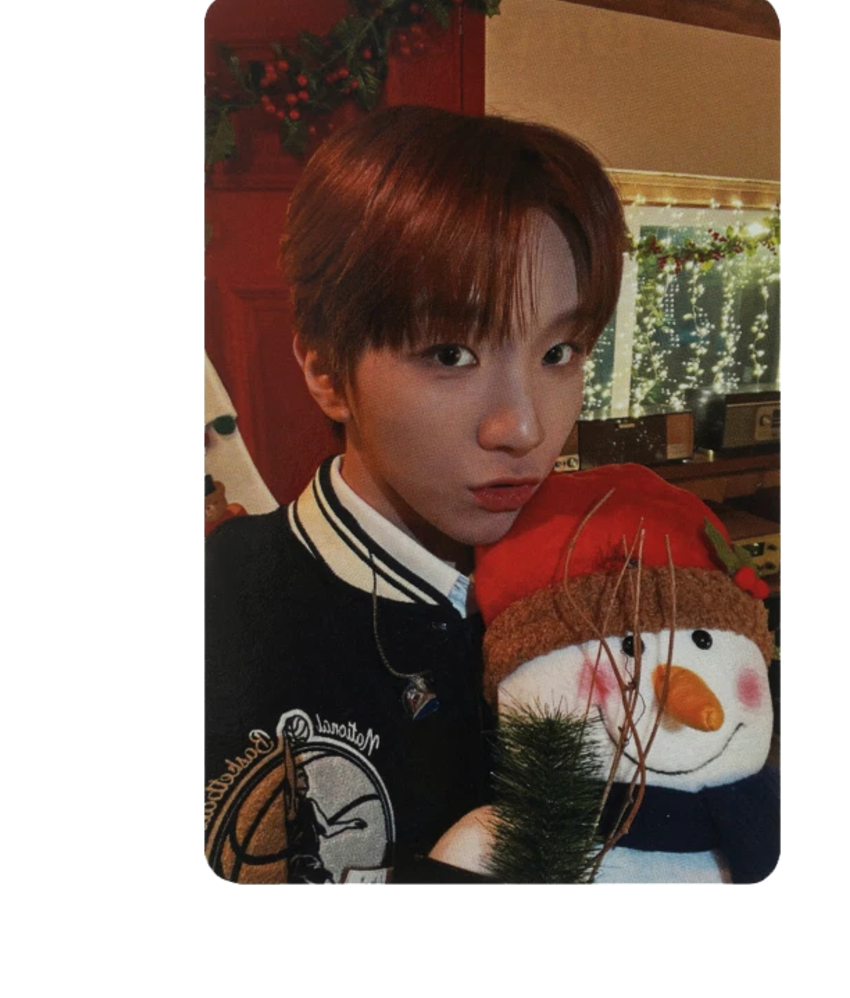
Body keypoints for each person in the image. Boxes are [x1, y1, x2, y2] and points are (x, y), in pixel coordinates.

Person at [204, 105, 628, 884]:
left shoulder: (605, 581)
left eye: (560, 352)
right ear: (327, 370)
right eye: (451, 353)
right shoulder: (227, 614)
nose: (523, 428)